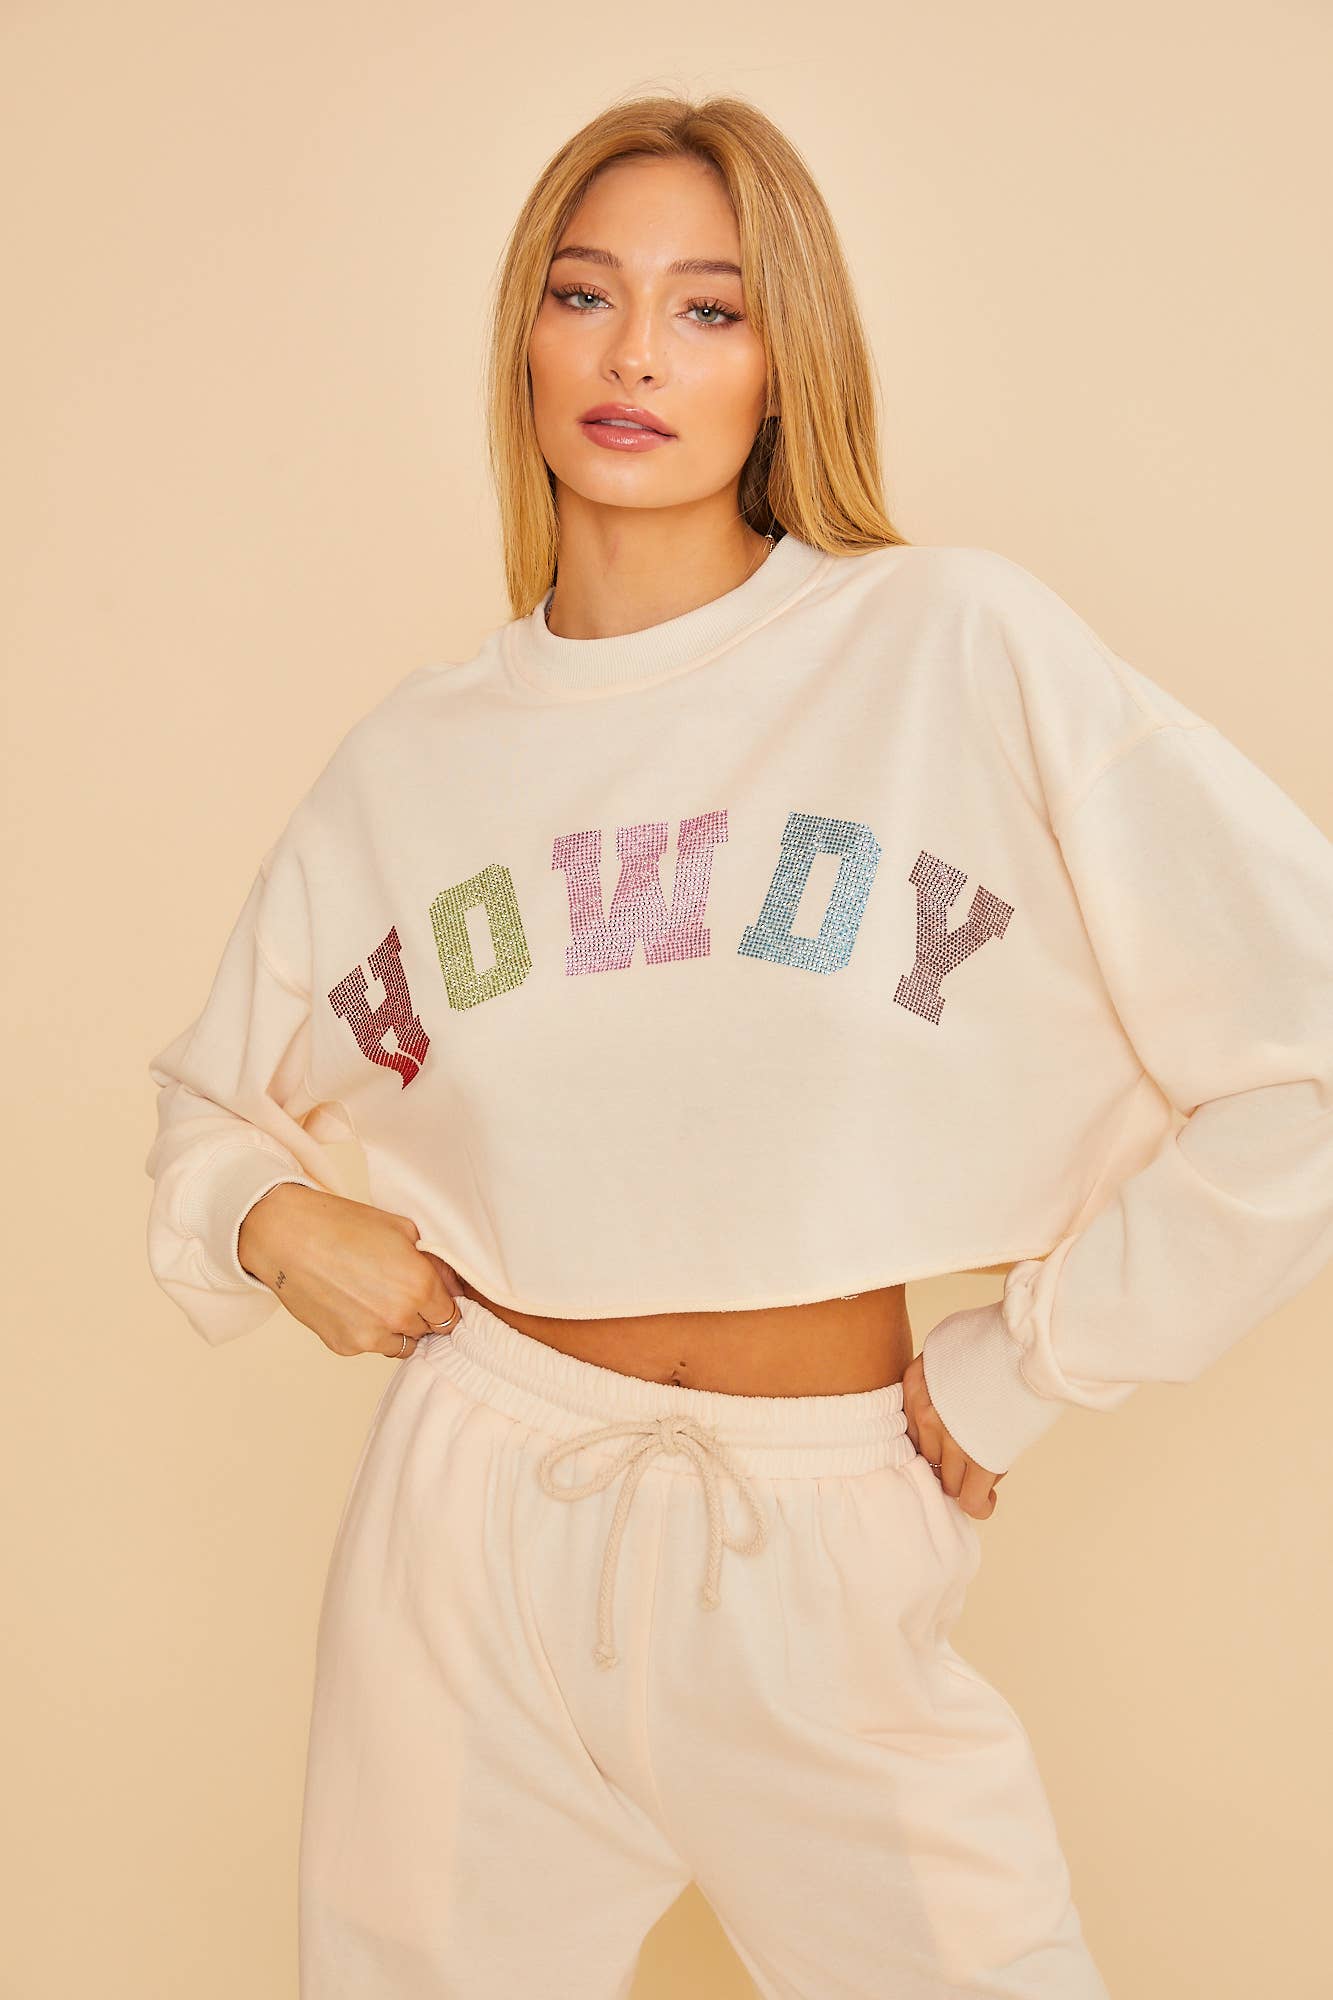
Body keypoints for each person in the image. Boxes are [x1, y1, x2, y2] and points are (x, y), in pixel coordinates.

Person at [143, 91, 1333, 2000]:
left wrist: (1034, 1366)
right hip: (468, 1524)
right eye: (584, 295)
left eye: (708, 310)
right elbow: (206, 1114)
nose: (634, 356)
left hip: (817, 1530)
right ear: (523, 341)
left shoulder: (944, 645)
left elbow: (1304, 1050)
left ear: (785, 368)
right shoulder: (416, 757)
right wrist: (274, 1224)